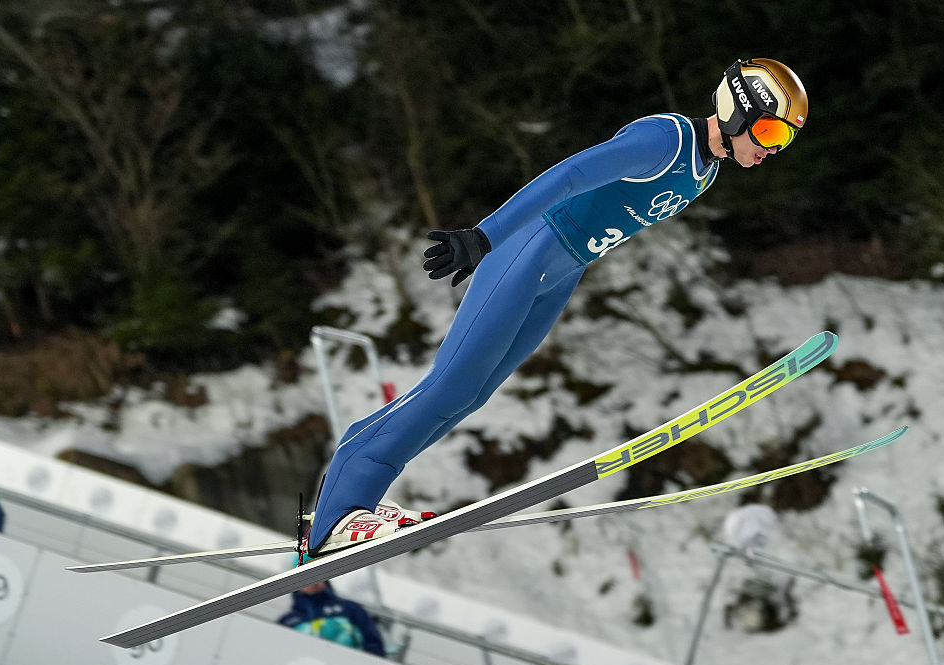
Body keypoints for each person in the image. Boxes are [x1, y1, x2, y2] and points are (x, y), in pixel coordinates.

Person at [306, 58, 809, 555]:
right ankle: (342, 506)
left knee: (470, 395)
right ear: (738, 112)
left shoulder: (706, 170)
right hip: (528, 249)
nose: (771, 148)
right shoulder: (666, 142)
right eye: (768, 132)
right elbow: (568, 177)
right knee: (451, 384)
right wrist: (485, 236)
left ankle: (356, 501)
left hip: (562, 270)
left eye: (782, 140)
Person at [278, 573, 387, 657]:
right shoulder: (288, 620)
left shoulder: (350, 610)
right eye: (304, 576)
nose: (312, 580)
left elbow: (374, 646)